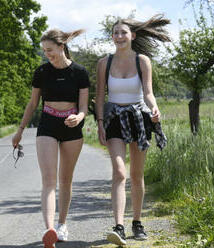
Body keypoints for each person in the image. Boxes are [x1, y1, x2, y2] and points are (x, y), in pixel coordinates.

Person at [95, 14, 170, 246]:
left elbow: (148, 92)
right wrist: (99, 123)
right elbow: (99, 96)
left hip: (139, 118)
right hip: (114, 119)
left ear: (132, 36)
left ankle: (137, 223)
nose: (119, 36)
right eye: (116, 33)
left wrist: (155, 109)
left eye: (123, 33)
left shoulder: (142, 61)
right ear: (112, 37)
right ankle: (119, 226)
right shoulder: (104, 63)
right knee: (119, 172)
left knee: (137, 175)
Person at [12, 28, 90, 248]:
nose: (47, 54)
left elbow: (84, 106)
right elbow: (32, 103)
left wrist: (79, 116)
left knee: (65, 180)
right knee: (48, 180)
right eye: (44, 50)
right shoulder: (42, 72)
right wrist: (20, 130)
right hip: (48, 124)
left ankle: (62, 224)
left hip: (71, 126)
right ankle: (49, 229)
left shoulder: (80, 72)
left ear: (61, 47)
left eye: (50, 50)